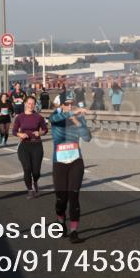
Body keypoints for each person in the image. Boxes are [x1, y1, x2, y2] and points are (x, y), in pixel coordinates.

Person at [49, 96, 92, 243]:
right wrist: (71, 114)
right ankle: (60, 220)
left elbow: (87, 138)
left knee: (74, 196)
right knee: (62, 199)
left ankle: (74, 231)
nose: (69, 106)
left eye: (71, 104)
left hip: (75, 161)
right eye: (66, 104)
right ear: (61, 105)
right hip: (59, 162)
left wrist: (76, 120)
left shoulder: (78, 118)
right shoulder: (57, 117)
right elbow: (53, 120)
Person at [13, 95, 48, 198]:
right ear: (25, 104)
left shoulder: (38, 117)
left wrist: (40, 133)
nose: (31, 105)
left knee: (36, 171)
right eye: (29, 103)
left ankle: (35, 181)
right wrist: (20, 134)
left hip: (36, 145)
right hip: (24, 145)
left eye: (33, 104)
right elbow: (14, 131)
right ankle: (29, 189)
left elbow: (45, 129)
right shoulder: (20, 117)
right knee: (27, 168)